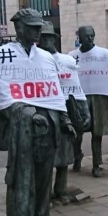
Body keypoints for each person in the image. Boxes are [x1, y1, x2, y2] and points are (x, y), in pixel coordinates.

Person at [0, 8, 74, 216]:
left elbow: (55, 92)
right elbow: (3, 96)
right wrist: (29, 114)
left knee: (44, 184)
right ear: (18, 27)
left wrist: (65, 120)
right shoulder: (1, 55)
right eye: (32, 27)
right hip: (23, 133)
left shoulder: (46, 58)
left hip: (48, 132)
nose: (37, 32)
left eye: (39, 27)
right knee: (21, 183)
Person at [37, 21, 91, 202]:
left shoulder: (67, 60)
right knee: (43, 157)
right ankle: (43, 194)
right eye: (41, 36)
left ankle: (60, 190)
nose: (44, 40)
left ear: (53, 38)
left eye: (48, 36)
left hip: (66, 109)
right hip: (42, 112)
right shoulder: (32, 62)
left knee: (65, 153)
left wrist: (84, 110)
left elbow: (75, 87)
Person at [69, 25, 108, 177]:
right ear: (80, 37)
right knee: (76, 133)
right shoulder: (72, 56)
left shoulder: (104, 54)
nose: (90, 38)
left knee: (97, 134)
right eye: (86, 36)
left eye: (92, 35)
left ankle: (96, 164)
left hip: (100, 97)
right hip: (79, 98)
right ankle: (77, 155)